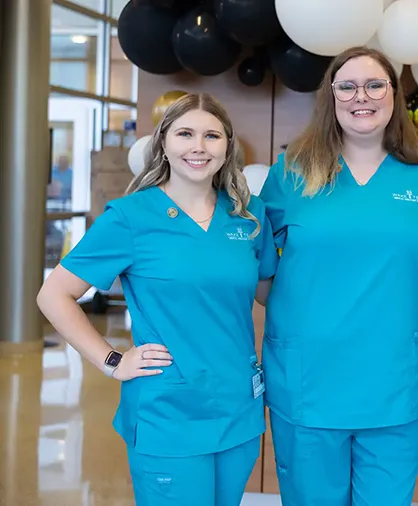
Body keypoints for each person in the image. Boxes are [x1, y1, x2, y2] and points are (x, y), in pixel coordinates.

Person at [36, 93, 278, 506]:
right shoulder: (131, 217)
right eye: (185, 133)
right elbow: (54, 295)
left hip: (238, 407)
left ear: (227, 146)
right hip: (168, 411)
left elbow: (270, 294)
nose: (198, 146)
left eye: (212, 136)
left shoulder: (249, 215)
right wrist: (112, 361)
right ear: (163, 142)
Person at [258, 46, 418, 505]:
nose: (360, 96)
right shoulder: (291, 174)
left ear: (395, 95)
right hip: (308, 382)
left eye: (374, 85)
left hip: (395, 382)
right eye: (346, 86)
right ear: (330, 96)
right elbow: (251, 269)